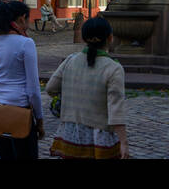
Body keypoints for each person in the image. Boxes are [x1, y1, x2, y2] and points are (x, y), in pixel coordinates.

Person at [46, 15, 128, 159]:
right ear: (110, 38)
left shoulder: (71, 60)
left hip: (69, 133)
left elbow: (51, 88)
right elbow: (116, 109)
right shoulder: (113, 68)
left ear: (84, 39)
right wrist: (123, 142)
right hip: (100, 137)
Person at [0, 0, 43, 159]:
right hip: (21, 113)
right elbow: (33, 90)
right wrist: (39, 119)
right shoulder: (26, 44)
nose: (27, 25)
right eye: (27, 20)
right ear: (20, 19)